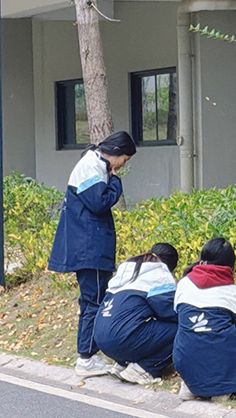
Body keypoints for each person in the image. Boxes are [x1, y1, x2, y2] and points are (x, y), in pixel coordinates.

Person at [47, 131, 136, 377]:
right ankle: (86, 357)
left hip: (88, 246)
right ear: (116, 152)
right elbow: (99, 202)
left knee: (92, 300)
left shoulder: (93, 164)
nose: (123, 165)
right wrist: (116, 182)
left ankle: (89, 354)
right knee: (93, 301)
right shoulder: (90, 167)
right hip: (89, 248)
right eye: (125, 159)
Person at [173, 238, 236, 400]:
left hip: (184, 359)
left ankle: (191, 385)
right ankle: (223, 388)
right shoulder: (233, 293)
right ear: (231, 264)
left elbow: (178, 315)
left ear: (203, 258)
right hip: (222, 363)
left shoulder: (184, 283)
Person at [93, 243, 179, 385]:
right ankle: (144, 369)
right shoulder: (158, 273)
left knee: (140, 324)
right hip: (120, 340)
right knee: (179, 330)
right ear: (170, 265)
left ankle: (122, 364)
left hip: (100, 338)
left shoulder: (128, 272)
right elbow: (168, 311)